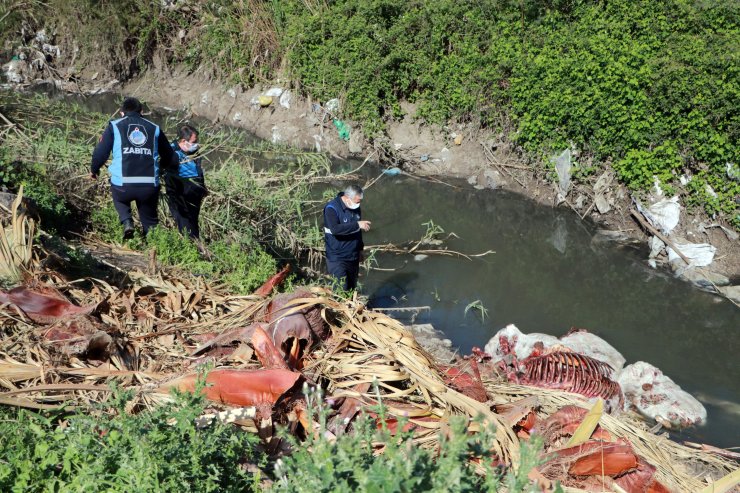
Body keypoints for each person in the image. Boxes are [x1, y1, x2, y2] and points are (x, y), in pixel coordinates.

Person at [90, 97, 174, 239]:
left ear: (122, 112)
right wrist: (161, 168)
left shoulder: (115, 126)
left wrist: (94, 169)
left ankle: (127, 220)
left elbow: (100, 153)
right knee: (150, 220)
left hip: (123, 185)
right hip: (149, 186)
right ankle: (153, 244)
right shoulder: (155, 128)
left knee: (119, 199)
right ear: (141, 112)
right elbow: (169, 155)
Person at [323, 184, 371, 291]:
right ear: (347, 198)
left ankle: (350, 305)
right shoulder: (331, 208)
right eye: (357, 201)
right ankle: (336, 306)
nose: (359, 204)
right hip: (337, 257)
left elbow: (358, 232)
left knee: (351, 287)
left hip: (352, 256)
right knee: (341, 288)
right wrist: (357, 224)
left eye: (360, 201)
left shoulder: (355, 208)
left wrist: (360, 250)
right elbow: (335, 229)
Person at [165, 124, 207, 239]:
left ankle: (195, 241)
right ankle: (187, 242)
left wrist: (203, 187)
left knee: (193, 219)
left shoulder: (196, 151)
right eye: (193, 141)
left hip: (194, 188)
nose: (195, 144)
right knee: (182, 217)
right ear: (183, 141)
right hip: (179, 187)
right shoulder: (170, 150)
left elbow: (199, 169)